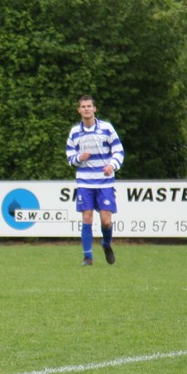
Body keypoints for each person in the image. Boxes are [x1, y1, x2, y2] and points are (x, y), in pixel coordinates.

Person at [65, 95, 125, 265]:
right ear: (79, 110)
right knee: (87, 217)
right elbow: (70, 157)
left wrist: (112, 166)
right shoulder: (75, 132)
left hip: (105, 182)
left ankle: (106, 244)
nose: (86, 109)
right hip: (84, 181)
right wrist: (79, 157)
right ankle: (88, 257)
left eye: (89, 106)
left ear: (94, 109)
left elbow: (119, 151)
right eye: (83, 106)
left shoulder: (106, 128)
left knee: (106, 221)